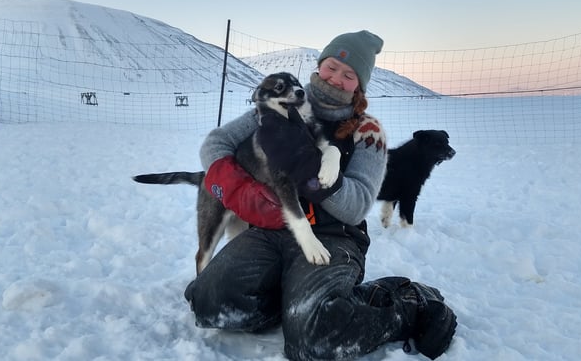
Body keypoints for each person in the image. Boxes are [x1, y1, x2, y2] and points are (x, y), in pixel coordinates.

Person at [184, 30, 457, 360]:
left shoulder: (368, 130)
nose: (336, 78)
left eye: (349, 74)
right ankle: (297, 303)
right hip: (270, 230)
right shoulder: (281, 105)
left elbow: (356, 206)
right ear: (319, 66)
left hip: (333, 236)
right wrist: (244, 191)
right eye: (331, 67)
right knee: (209, 303)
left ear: (360, 84)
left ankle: (405, 304)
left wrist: (316, 176)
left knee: (314, 342)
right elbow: (216, 145)